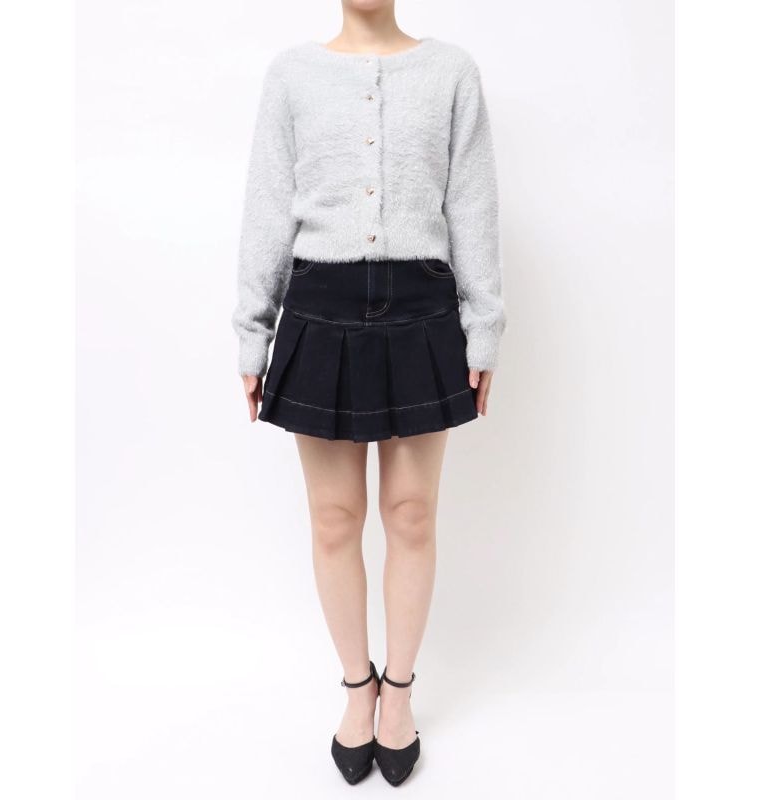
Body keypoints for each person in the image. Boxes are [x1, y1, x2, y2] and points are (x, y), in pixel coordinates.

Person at [230, 1, 506, 787]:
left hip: (423, 306)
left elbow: (473, 203)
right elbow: (266, 204)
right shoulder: (292, 75)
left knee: (411, 513)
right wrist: (252, 330)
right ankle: (358, 686)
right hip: (319, 306)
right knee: (334, 518)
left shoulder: (451, 72)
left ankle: (401, 693)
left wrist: (484, 326)